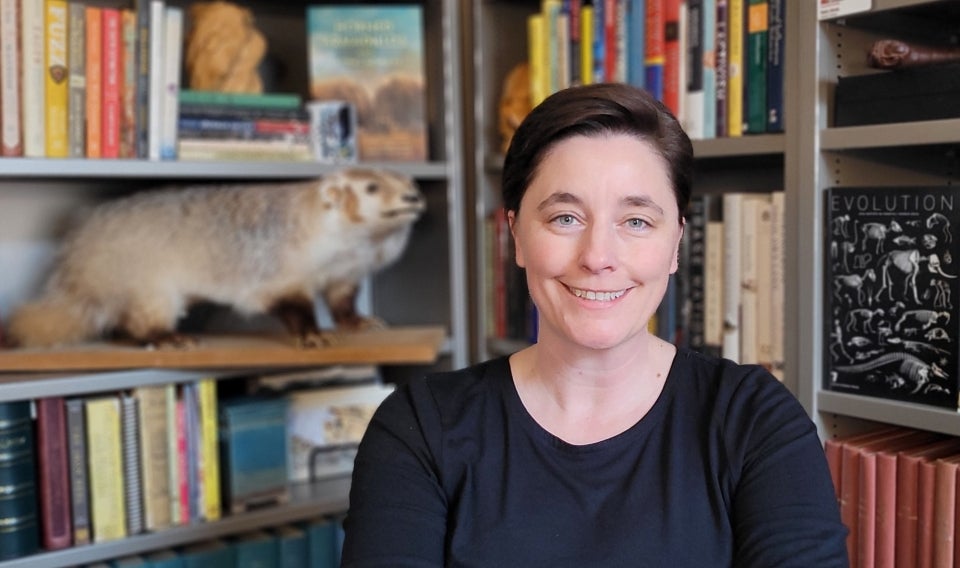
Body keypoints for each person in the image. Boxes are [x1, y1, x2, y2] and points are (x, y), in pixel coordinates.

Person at [340, 83, 848, 567]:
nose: (598, 257)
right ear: (516, 235)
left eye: (636, 222)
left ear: (675, 244)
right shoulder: (419, 429)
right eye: (566, 218)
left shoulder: (755, 422)